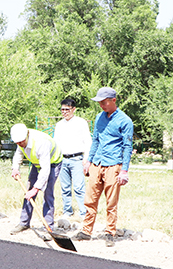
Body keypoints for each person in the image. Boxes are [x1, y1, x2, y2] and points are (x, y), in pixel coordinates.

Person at [73, 87, 134, 247]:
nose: (101, 105)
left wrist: (124, 170)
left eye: (104, 102)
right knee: (90, 200)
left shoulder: (125, 121)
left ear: (114, 100)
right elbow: (96, 141)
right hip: (96, 164)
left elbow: (127, 146)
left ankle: (110, 233)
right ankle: (86, 231)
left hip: (113, 165)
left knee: (111, 201)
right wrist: (88, 161)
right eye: (99, 102)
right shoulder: (99, 117)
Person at [9, 124, 63, 234]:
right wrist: (15, 168)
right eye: (17, 142)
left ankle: (48, 227)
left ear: (27, 135)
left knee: (47, 193)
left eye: (22, 141)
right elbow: (18, 154)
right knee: (28, 192)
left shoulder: (40, 143)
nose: (20, 144)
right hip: (37, 162)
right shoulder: (20, 140)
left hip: (52, 163)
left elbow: (45, 170)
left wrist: (36, 188)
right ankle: (24, 223)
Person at [53, 98, 91, 219]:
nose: (64, 112)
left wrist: (86, 158)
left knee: (79, 187)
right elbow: (56, 143)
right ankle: (67, 211)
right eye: (62, 109)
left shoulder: (81, 123)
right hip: (62, 159)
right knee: (65, 187)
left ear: (73, 109)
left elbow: (87, 141)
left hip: (77, 158)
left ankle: (83, 212)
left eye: (67, 109)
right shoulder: (59, 125)